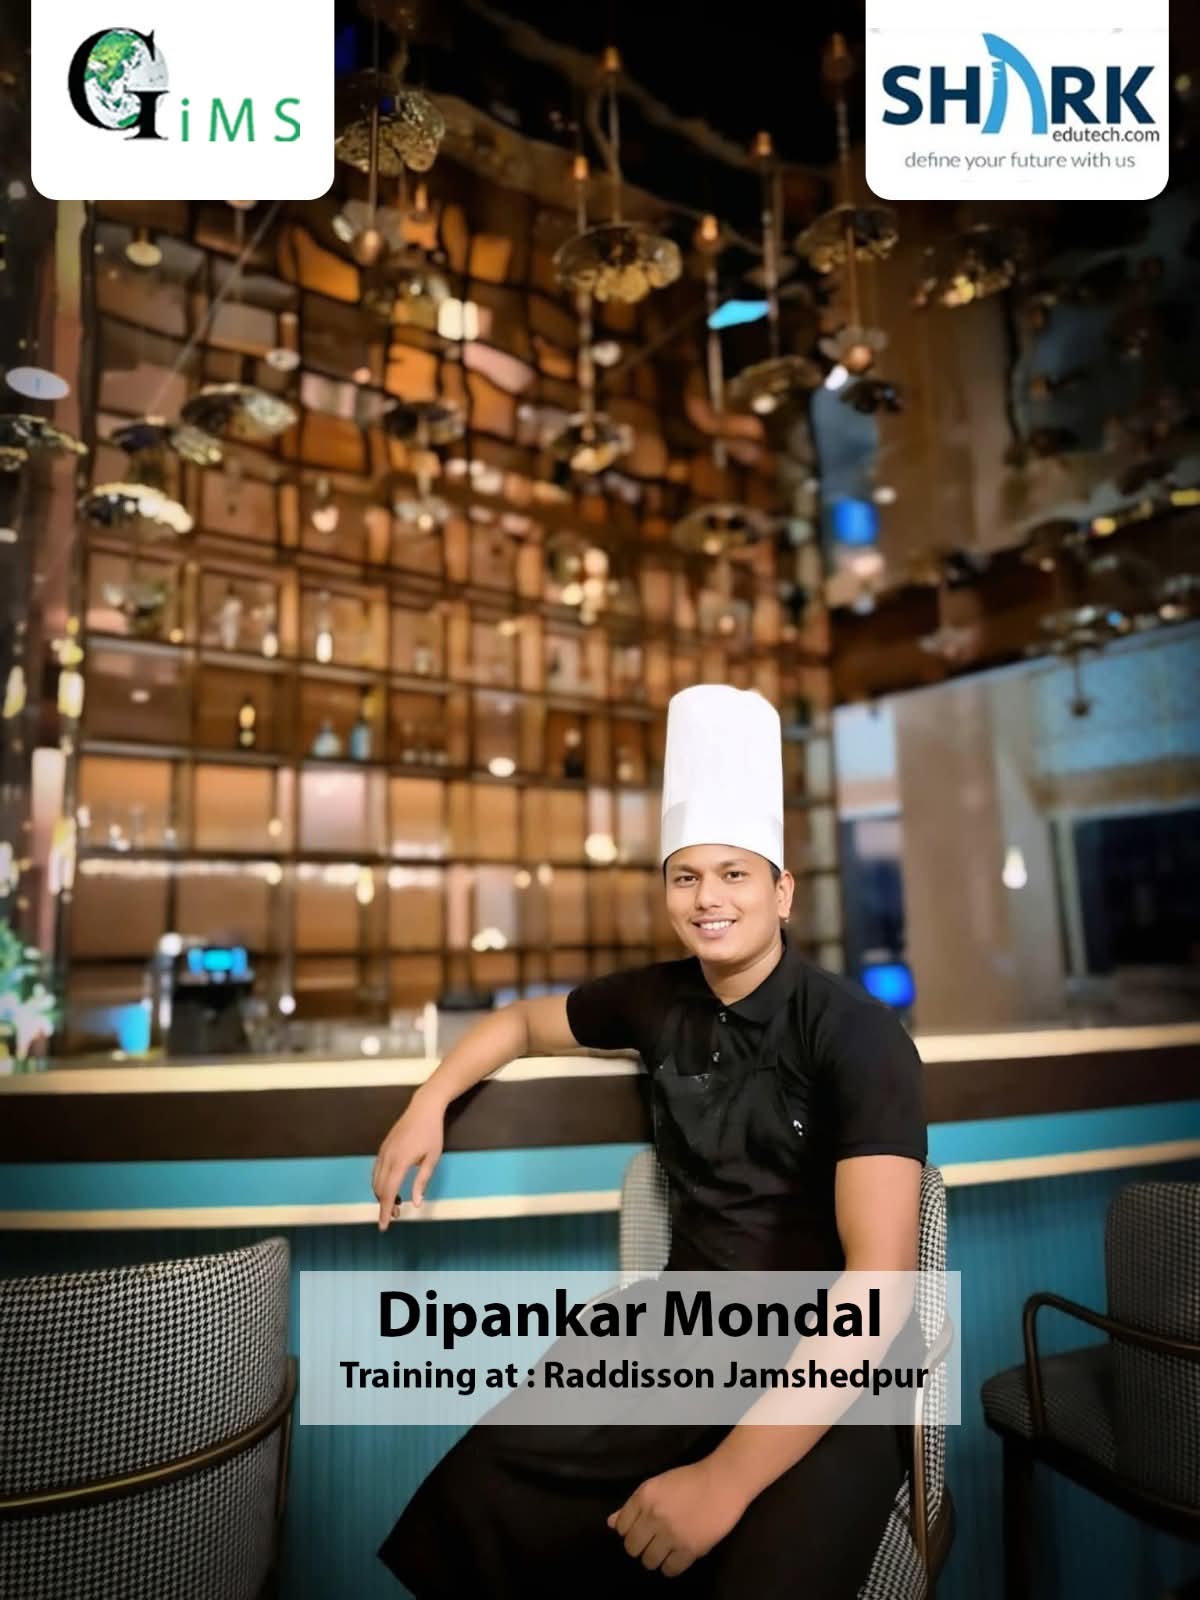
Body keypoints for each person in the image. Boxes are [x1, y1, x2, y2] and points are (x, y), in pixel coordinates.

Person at [372, 684, 928, 1599]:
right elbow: (518, 1022)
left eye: (735, 874)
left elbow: (877, 1287)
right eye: (686, 876)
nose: (708, 899)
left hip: (833, 1369)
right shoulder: (656, 998)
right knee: (477, 1497)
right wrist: (427, 1101)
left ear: (783, 891)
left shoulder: (857, 1033)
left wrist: (726, 1479)